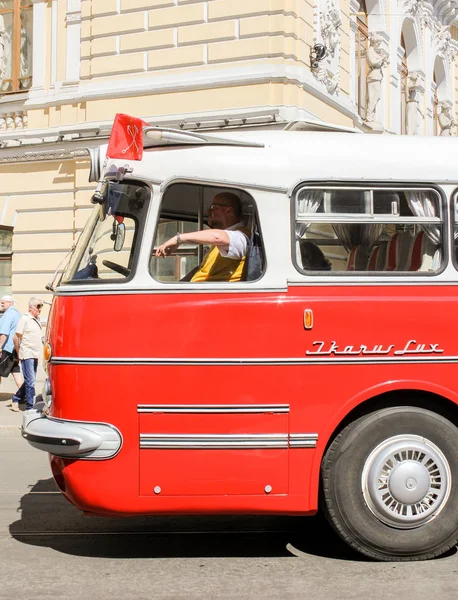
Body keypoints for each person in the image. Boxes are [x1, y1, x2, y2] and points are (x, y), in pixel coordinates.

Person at [155, 192, 250, 282]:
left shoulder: (241, 236)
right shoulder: (219, 243)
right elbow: (202, 269)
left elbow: (217, 237)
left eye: (213, 207)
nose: (209, 211)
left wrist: (179, 239)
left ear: (228, 210)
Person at [11, 297, 43, 412]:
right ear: (31, 307)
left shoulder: (37, 319)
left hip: (35, 354)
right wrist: (19, 352)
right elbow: (16, 337)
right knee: (31, 381)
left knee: (30, 380)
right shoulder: (24, 319)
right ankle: (30, 407)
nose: (40, 309)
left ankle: (17, 397)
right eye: (38, 306)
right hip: (27, 354)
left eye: (41, 306)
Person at [0, 295, 22, 393]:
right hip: (15, 348)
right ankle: (24, 394)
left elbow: (4, 333)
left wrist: (0, 347)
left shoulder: (8, 314)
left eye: (3, 303)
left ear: (10, 303)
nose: (1, 305)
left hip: (7, 348)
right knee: (15, 371)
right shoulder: (18, 314)